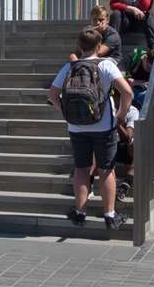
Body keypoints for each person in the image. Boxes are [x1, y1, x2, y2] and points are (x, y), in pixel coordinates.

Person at [48, 27, 134, 231]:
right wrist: (120, 114)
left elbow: (52, 95)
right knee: (106, 170)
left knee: (81, 169)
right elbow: (128, 92)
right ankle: (110, 215)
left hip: (77, 128)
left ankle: (80, 213)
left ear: (79, 47)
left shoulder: (69, 67)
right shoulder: (106, 65)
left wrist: (66, 112)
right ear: (99, 46)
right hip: (104, 127)